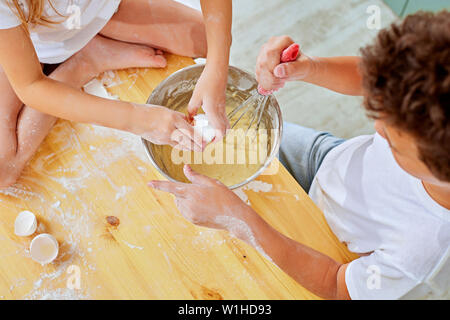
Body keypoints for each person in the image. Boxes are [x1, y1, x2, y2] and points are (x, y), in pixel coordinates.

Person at [148, 11, 450, 299]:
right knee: (247, 141)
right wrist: (310, 67)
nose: (376, 127)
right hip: (326, 158)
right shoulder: (432, 96)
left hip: (331, 243)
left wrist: (239, 219)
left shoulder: (421, 253)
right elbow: (370, 78)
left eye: (391, 141)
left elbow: (336, 285)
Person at [0, 0, 232, 188]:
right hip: (21, 49)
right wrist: (141, 120)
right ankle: (87, 61)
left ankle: (90, 50)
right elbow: (30, 85)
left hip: (104, 13)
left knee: (211, 39)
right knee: (4, 169)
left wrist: (216, 69)